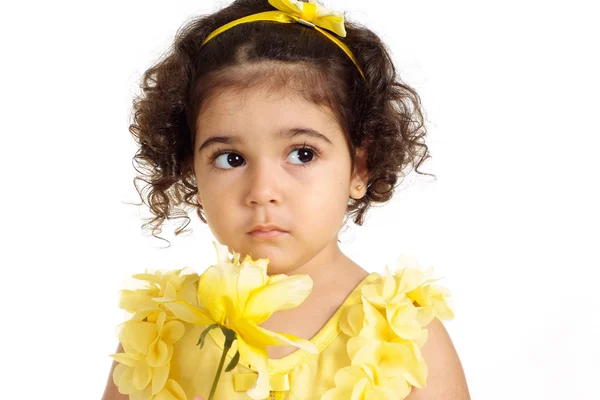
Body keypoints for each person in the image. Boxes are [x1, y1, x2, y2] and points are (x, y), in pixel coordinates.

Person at [101, 0, 470, 398]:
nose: (262, 192)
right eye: (231, 159)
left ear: (360, 167)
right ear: (191, 169)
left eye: (303, 154)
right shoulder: (159, 336)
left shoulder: (405, 337)